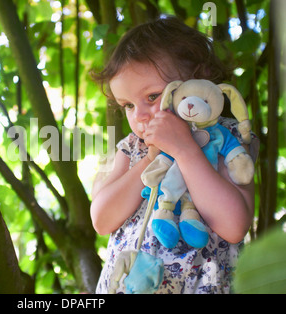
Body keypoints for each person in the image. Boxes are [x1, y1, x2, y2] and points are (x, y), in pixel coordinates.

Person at [90, 16, 258, 294]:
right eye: (128, 105)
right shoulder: (133, 148)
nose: (140, 116)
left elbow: (234, 225)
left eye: (153, 97)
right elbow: (102, 219)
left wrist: (185, 150)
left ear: (198, 80)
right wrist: (150, 160)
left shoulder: (228, 140)